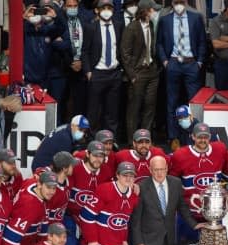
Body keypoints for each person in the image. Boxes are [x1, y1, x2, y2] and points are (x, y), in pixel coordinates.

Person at [113, 128, 168, 245]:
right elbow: (108, 168)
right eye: (140, 142)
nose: (144, 145)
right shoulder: (121, 156)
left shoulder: (159, 154)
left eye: (147, 141)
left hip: (149, 216)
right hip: (126, 212)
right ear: (134, 143)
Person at [156, 0, 206, 145]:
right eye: (176, 2)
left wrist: (200, 62)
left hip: (191, 63)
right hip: (173, 64)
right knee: (171, 102)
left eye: (181, 1)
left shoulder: (196, 17)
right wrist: (165, 61)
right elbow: (159, 43)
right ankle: (173, 137)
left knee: (194, 102)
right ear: (172, 3)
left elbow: (202, 40)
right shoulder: (165, 20)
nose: (179, 4)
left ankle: (194, 135)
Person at [169, 122, 227, 242]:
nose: (203, 140)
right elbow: (172, 181)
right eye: (199, 137)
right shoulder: (180, 155)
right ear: (193, 136)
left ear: (210, 137)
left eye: (205, 137)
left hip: (213, 213)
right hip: (189, 215)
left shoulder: (220, 149)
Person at [120, 0, 162, 142]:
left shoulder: (150, 24)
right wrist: (132, 75)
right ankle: (133, 141)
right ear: (144, 11)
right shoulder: (132, 28)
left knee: (150, 106)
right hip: (138, 73)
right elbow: (124, 54)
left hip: (152, 71)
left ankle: (145, 139)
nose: (153, 13)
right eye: (151, 10)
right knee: (134, 108)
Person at [66, 141, 106, 245]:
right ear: (88, 154)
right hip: (71, 217)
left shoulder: (105, 172)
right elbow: (54, 169)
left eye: (101, 156)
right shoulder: (75, 168)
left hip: (92, 221)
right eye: (95, 155)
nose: (98, 159)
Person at [82, 0, 124, 133]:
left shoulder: (119, 26)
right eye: (103, 8)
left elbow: (121, 48)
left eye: (109, 8)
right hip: (97, 73)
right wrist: (88, 71)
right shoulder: (91, 27)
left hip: (114, 73)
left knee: (112, 112)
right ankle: (91, 139)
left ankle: (111, 141)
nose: (106, 11)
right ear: (97, 10)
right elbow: (85, 51)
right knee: (94, 111)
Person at [23, 2, 69, 90]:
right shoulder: (25, 31)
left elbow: (61, 28)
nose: (34, 15)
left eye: (38, 12)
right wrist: (24, 17)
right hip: (27, 77)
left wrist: (56, 16)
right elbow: (16, 28)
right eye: (33, 12)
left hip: (44, 77)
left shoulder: (47, 30)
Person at [63, 0, 95, 121]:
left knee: (81, 103)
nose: (72, 8)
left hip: (82, 66)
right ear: (64, 7)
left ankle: (80, 130)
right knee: (63, 102)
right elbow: (58, 46)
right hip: (65, 67)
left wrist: (81, 61)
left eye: (75, 6)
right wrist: (71, 62)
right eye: (69, 6)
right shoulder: (60, 21)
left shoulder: (85, 19)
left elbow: (89, 45)